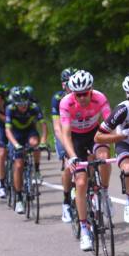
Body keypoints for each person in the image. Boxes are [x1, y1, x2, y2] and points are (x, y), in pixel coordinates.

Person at [60, 70, 112, 251]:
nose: (82, 98)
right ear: (73, 93)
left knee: (104, 157)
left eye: (85, 93)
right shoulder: (66, 102)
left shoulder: (100, 98)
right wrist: (72, 155)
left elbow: (110, 123)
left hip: (94, 134)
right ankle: (84, 229)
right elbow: (65, 134)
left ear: (91, 90)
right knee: (81, 182)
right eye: (78, 94)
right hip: (75, 139)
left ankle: (104, 192)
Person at [95, 73, 129, 224]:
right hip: (126, 144)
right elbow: (98, 137)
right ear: (127, 96)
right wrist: (122, 135)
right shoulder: (122, 110)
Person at [5, 88, 48, 214]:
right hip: (15, 134)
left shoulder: (34, 107)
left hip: (30, 131)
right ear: (15, 104)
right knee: (18, 165)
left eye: (25, 104)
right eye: (20, 105)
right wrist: (15, 144)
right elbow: (7, 130)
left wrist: (44, 141)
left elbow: (43, 125)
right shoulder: (10, 109)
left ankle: (36, 168)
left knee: (35, 144)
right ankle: (18, 198)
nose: (23, 107)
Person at [51, 67, 77, 222]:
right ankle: (66, 201)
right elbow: (56, 127)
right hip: (63, 133)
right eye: (70, 83)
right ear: (63, 85)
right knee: (68, 165)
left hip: (80, 132)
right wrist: (66, 146)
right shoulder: (57, 98)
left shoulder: (83, 95)